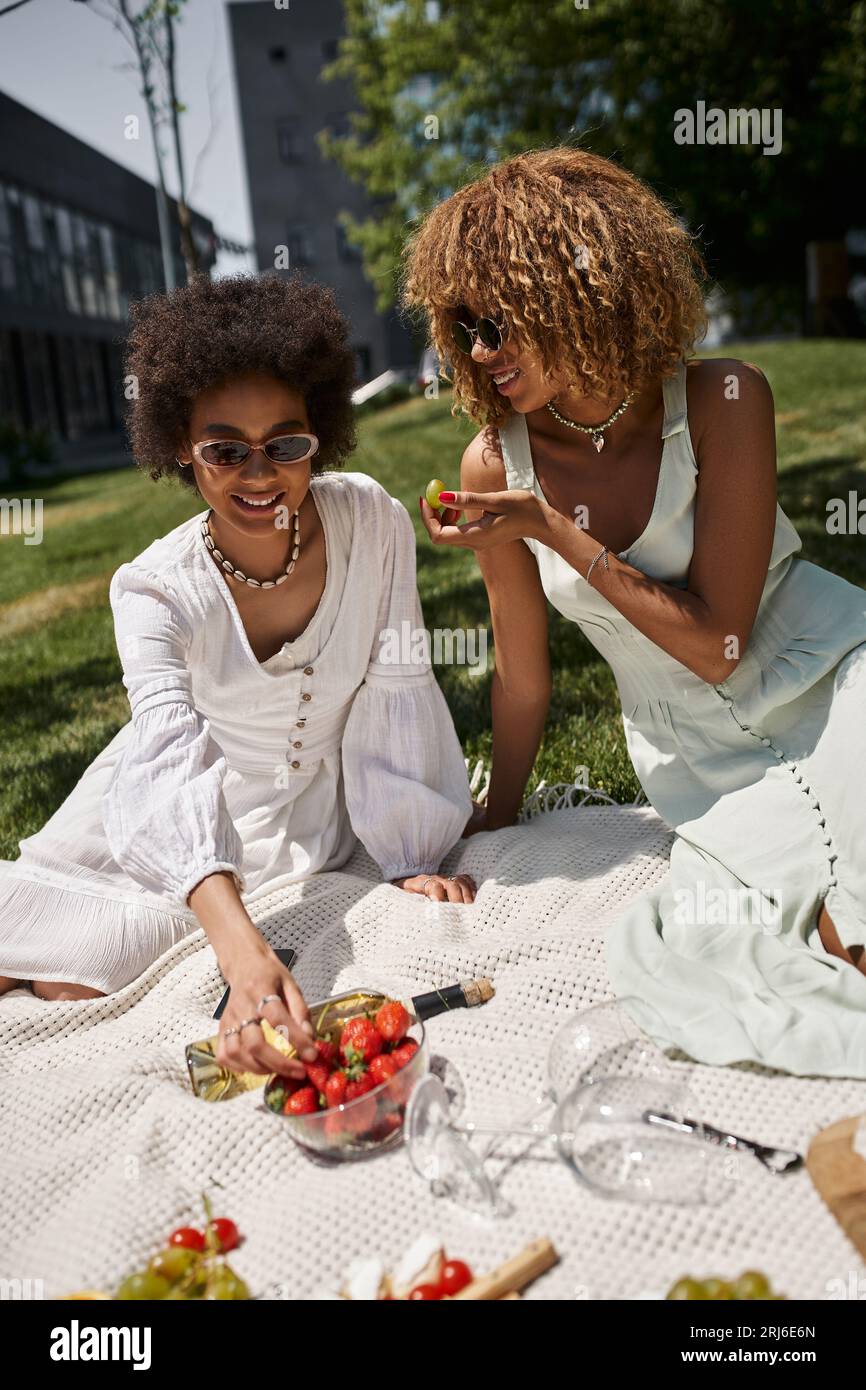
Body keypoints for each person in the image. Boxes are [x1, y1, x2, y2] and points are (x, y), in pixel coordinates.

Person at [404, 147, 866, 1077]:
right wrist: (498, 815)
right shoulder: (495, 466)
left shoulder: (725, 398)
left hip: (832, 673)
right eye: (467, 330)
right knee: (775, 939)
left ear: (584, 289)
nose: (483, 351)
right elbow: (524, 673)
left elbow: (722, 647)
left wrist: (553, 529)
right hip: (695, 759)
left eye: (501, 322)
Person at [0, 273, 475, 1081]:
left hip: (309, 817)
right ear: (181, 447)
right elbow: (168, 760)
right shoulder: (153, 588)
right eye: (225, 450)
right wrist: (243, 956)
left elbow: (398, 685)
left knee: (71, 985)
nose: (260, 474)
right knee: (44, 964)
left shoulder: (374, 522)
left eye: (286, 444)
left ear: (318, 433)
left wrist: (408, 851)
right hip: (175, 813)